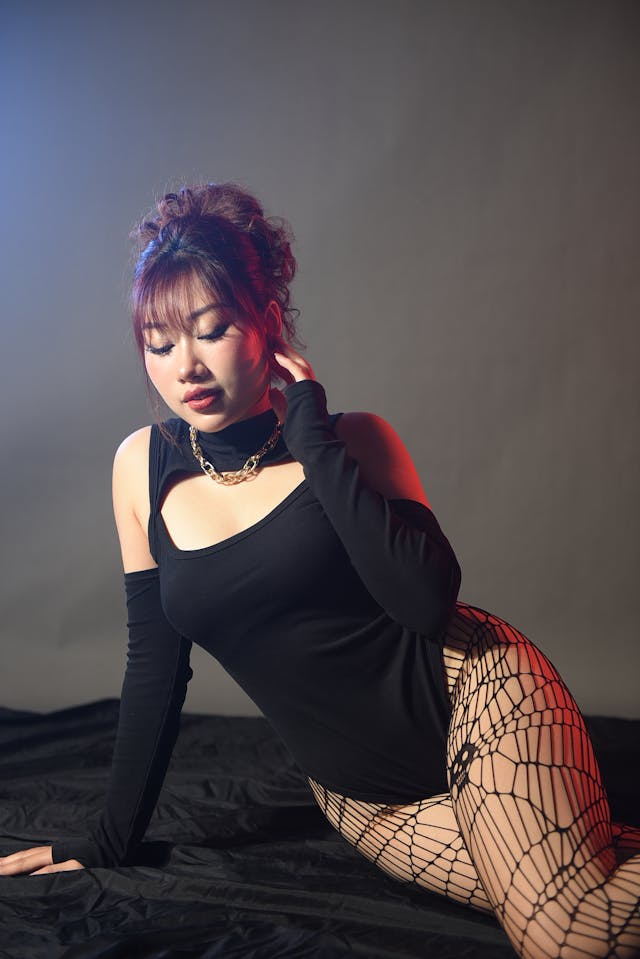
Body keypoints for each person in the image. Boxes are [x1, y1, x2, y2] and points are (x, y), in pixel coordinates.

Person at [1, 182, 638, 959]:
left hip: (478, 699)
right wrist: (109, 839)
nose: (185, 365)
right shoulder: (142, 466)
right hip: (366, 800)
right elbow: (154, 667)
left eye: (213, 329)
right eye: (159, 343)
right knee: (582, 885)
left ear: (267, 321)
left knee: (567, 932)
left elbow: (425, 602)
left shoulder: (356, 440)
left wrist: (312, 436)